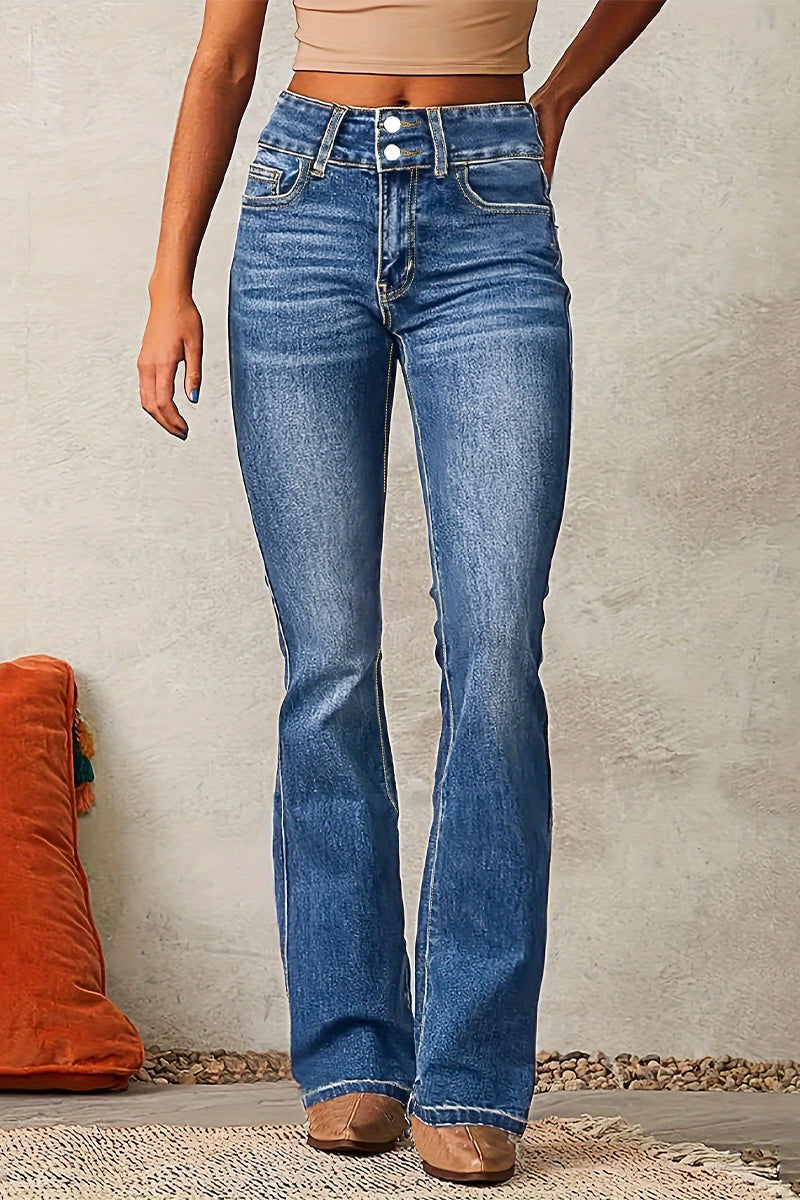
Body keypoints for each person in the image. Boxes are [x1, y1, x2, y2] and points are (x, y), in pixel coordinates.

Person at [138, 0, 668, 1185]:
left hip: (489, 212)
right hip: (301, 206)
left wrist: (559, 94)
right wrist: (169, 284)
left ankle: (468, 1077)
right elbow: (225, 55)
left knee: (494, 655)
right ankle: (352, 1061)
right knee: (327, 661)